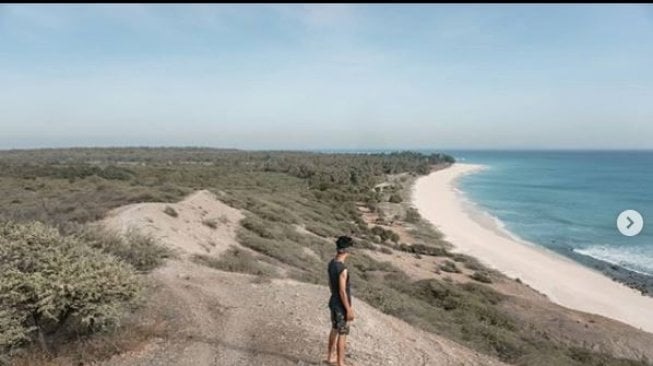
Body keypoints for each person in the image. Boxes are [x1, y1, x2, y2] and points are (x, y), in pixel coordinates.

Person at [326, 235, 354, 366]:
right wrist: (348, 309)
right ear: (347, 250)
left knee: (334, 329)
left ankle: (330, 357)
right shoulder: (343, 269)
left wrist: (334, 297)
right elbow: (343, 291)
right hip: (341, 305)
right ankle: (340, 363)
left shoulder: (332, 263)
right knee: (342, 333)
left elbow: (331, 285)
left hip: (333, 301)